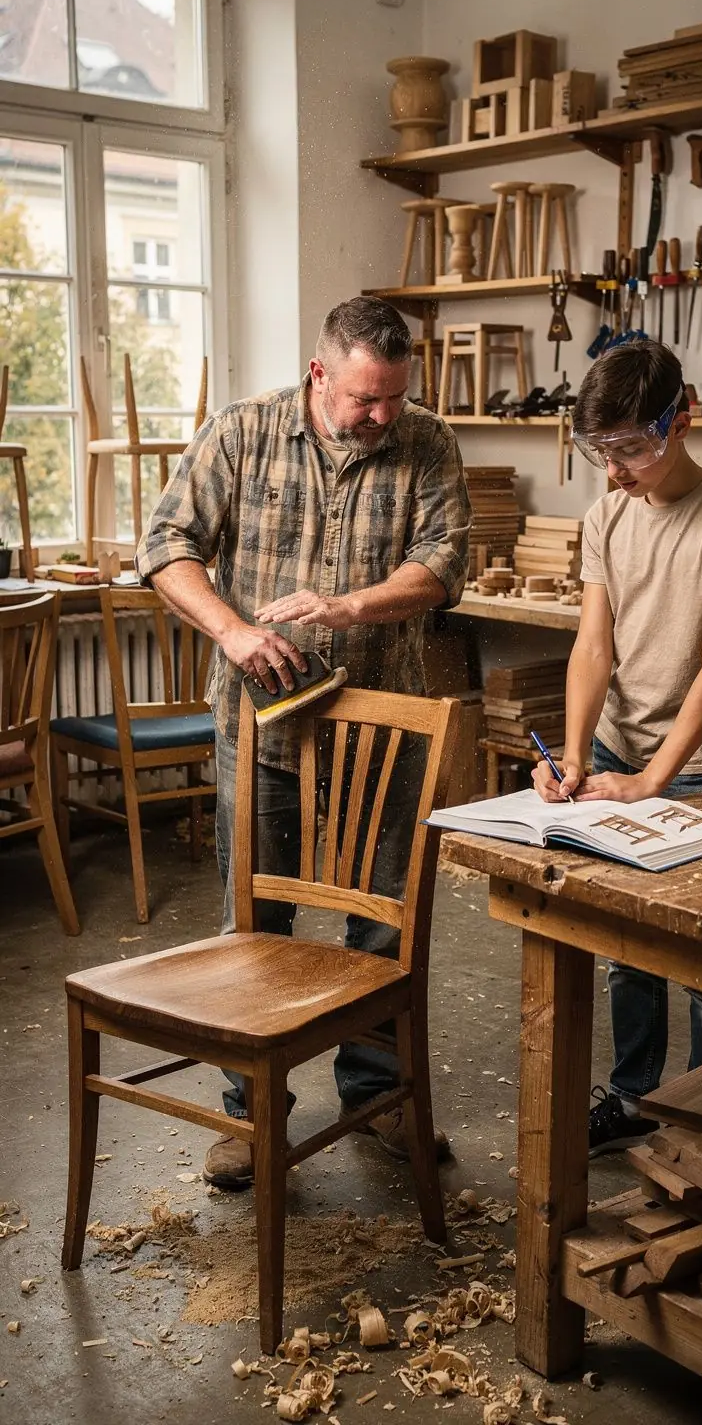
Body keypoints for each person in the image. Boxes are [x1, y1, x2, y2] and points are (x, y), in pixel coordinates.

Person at [135, 296, 472, 1188]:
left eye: (395, 396)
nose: (383, 415)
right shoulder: (242, 433)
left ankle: (378, 1095)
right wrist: (233, 631)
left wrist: (351, 604)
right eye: (365, 398)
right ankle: (250, 1114)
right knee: (255, 923)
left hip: (384, 720)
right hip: (262, 726)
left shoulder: (427, 441)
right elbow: (165, 545)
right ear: (320, 373)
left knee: (383, 923)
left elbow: (446, 561)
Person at [531, 338, 702, 1157]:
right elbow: (593, 646)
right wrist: (574, 755)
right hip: (616, 750)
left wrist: (653, 778)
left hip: (699, 766)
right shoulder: (606, 516)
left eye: (631, 448)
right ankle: (636, 1096)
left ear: (683, 419)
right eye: (600, 451)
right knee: (627, 949)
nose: (615, 469)